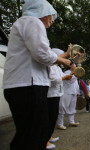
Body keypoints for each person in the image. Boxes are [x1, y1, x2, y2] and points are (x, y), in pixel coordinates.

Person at [2, 0, 71, 150]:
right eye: (52, 15)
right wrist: (64, 61)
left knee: (30, 132)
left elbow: (43, 55)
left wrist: (61, 58)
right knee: (34, 132)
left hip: (24, 85)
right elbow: (43, 54)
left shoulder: (24, 22)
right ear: (42, 10)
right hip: (28, 85)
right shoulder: (33, 21)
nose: (53, 20)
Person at [46, 48, 73, 149]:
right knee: (50, 117)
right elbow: (53, 79)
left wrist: (72, 74)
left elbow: (64, 77)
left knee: (53, 116)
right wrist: (64, 78)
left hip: (57, 94)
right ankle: (45, 140)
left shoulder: (57, 67)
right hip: (50, 94)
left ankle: (49, 136)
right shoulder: (51, 66)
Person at [57, 64, 80, 130]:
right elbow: (70, 81)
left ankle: (71, 122)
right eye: (74, 65)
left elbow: (76, 84)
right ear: (70, 66)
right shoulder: (66, 73)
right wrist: (75, 75)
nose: (75, 67)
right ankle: (60, 124)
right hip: (66, 93)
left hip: (73, 93)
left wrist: (77, 92)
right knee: (62, 108)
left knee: (72, 108)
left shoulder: (76, 74)